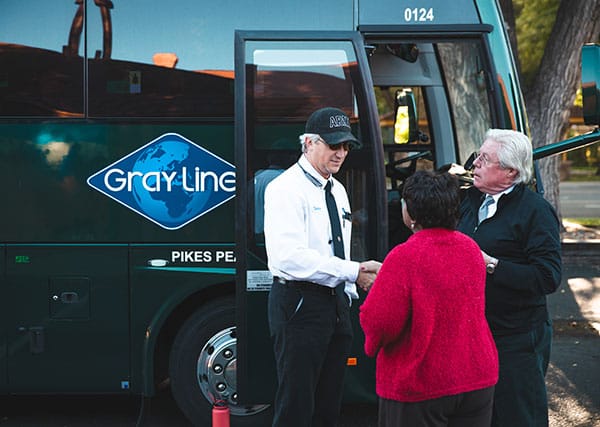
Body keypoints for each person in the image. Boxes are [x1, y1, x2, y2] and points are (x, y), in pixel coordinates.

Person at [263, 106, 381, 427]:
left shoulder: (338, 190)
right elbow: (287, 257)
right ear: (309, 143)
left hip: (335, 304)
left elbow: (336, 246)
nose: (341, 153)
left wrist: (348, 290)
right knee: (296, 405)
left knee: (330, 404)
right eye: (333, 145)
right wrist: (353, 272)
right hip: (300, 305)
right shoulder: (285, 189)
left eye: (345, 146)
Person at [360, 170, 499, 427]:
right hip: (476, 375)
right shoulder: (470, 249)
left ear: (411, 214)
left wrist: (371, 345)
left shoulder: (404, 256)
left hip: (421, 383)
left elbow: (380, 321)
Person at [457, 129, 562, 427]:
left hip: (516, 339)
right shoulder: (471, 200)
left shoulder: (535, 211)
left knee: (517, 416)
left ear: (510, 172)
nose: (474, 163)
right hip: (474, 332)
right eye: (478, 155)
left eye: (484, 158)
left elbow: (548, 277)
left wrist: (492, 264)